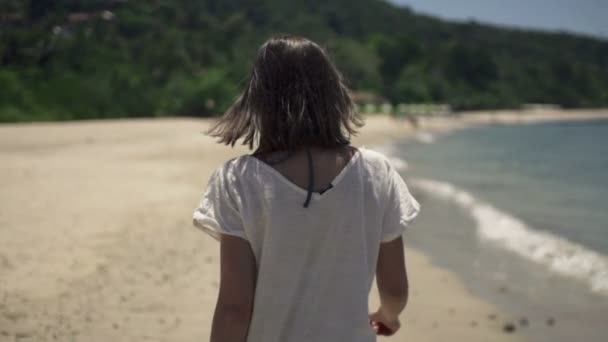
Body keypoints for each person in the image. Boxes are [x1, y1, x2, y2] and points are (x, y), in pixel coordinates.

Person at [192, 35, 420, 342]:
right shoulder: (376, 172)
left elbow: (235, 307)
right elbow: (394, 289)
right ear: (334, 93)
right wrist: (387, 316)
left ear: (259, 99)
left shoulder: (239, 180)